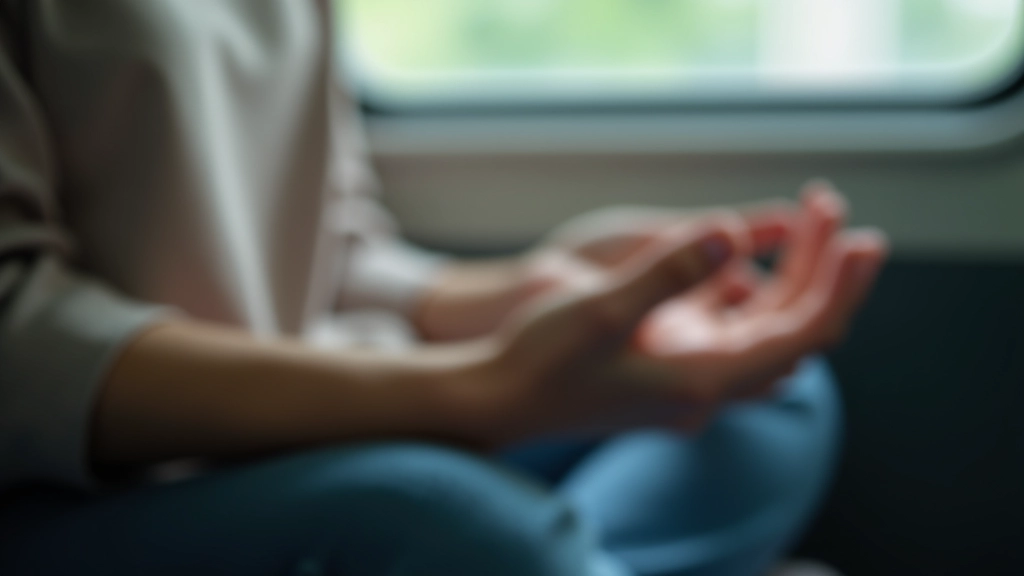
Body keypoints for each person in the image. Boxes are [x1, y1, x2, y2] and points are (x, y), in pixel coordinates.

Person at [0, 2, 886, 575]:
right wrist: (473, 395)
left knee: (766, 394)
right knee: (447, 523)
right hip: (76, 494)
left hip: (278, 428)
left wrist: (520, 292)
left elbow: (332, 251)